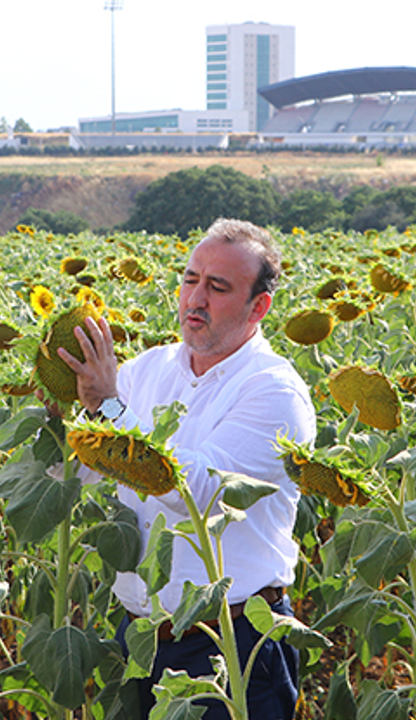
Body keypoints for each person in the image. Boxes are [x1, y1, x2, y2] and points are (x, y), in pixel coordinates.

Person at [59, 218, 316, 720]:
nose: (195, 298)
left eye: (217, 287)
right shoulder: (147, 370)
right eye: (190, 279)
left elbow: (197, 491)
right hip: (140, 641)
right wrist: (57, 415)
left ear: (257, 306)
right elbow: (80, 471)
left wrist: (107, 409)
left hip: (233, 646)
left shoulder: (274, 392)